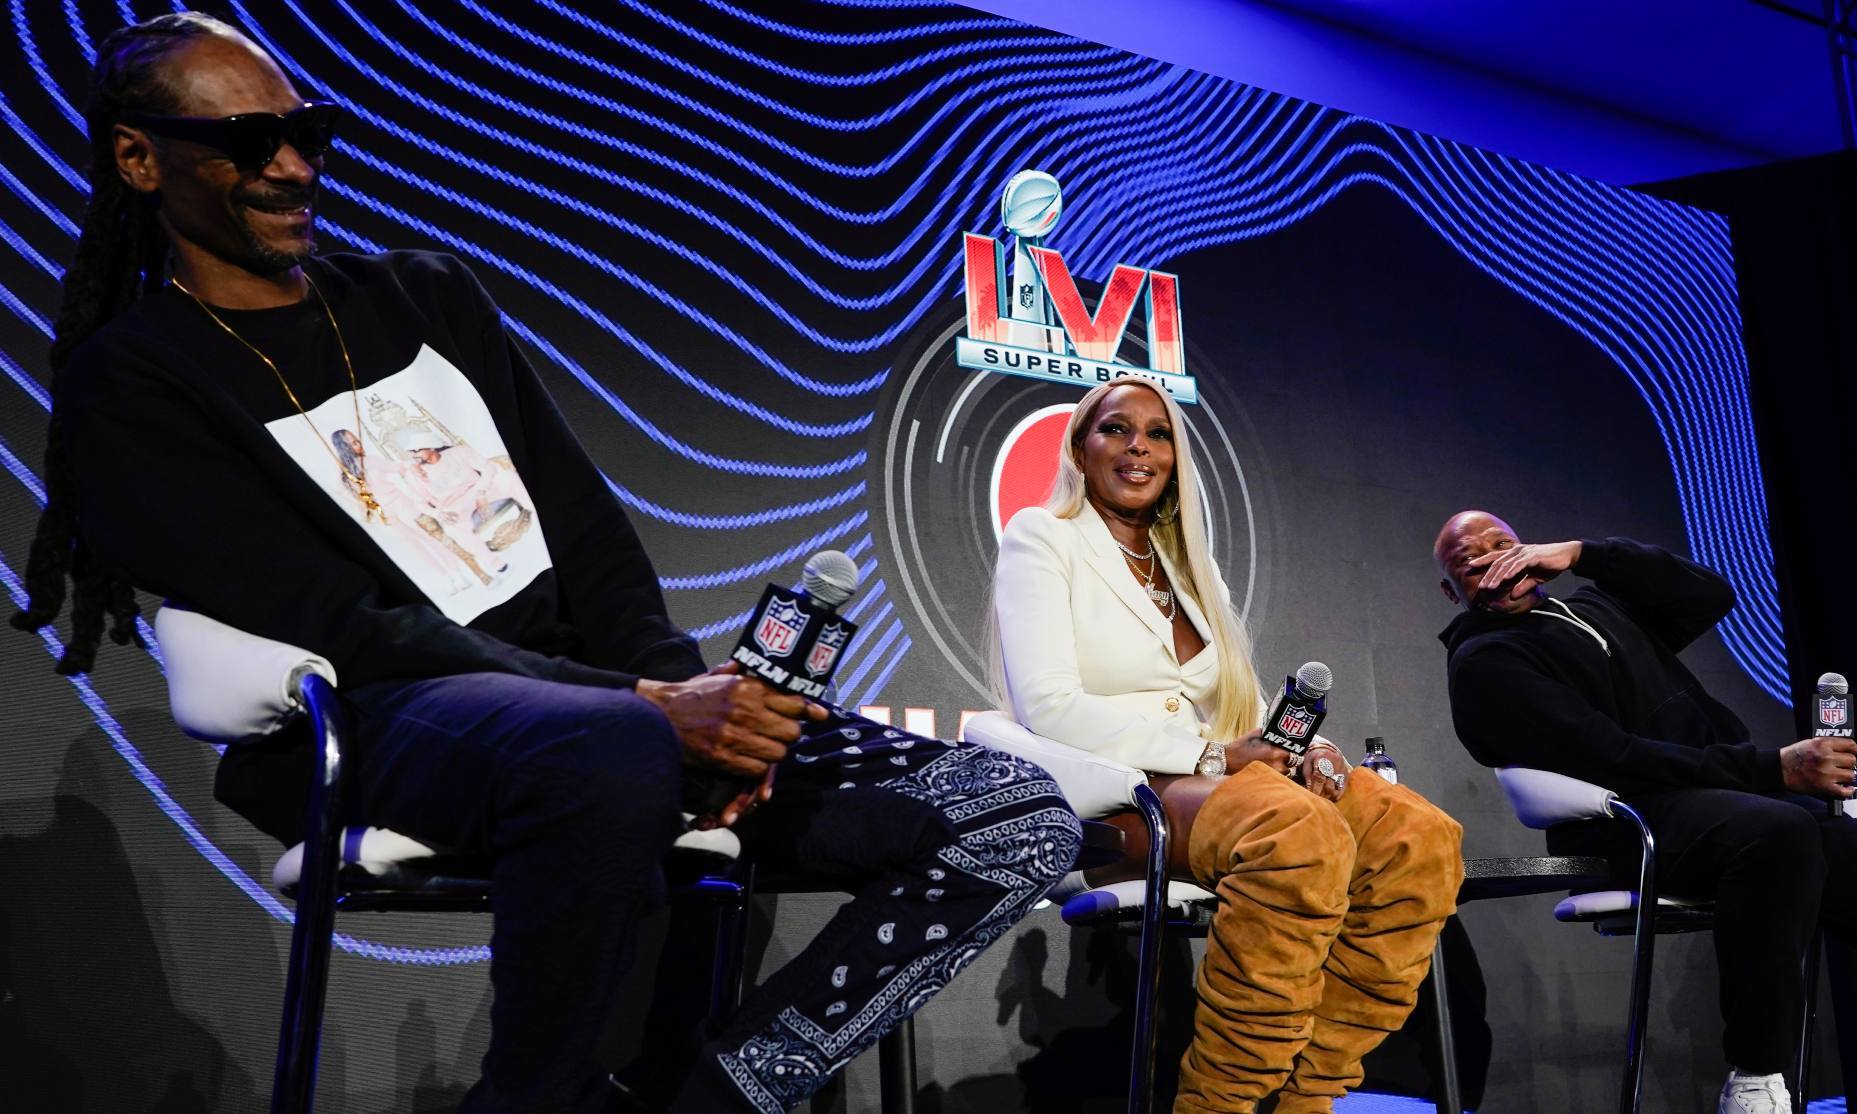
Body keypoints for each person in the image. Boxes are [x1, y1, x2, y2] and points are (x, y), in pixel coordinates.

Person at [11, 14, 1078, 1113]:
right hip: (392, 713)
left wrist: (712, 701)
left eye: (306, 130)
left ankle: (723, 1094)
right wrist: (654, 706)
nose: (290, 164)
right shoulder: (131, 382)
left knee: (1014, 814)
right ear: (139, 157)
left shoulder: (422, 295)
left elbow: (590, 536)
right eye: (245, 139)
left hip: (607, 705)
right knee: (608, 747)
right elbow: (344, 620)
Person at [989, 379, 1465, 1113]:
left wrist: (1301, 747)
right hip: (1115, 795)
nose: (1138, 447)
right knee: (1296, 833)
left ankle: (1306, 1097)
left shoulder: (1182, 566)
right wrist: (1216, 758)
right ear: (1080, 449)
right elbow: (1048, 706)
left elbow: (1225, 710)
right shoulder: (1043, 537)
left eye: (1157, 433)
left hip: (1208, 784)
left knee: (1418, 838)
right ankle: (1218, 1105)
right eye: (1116, 430)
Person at [1432, 510, 1857, 1114]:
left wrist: (1585, 553)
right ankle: (1755, 1077)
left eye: (1502, 544)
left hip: (1732, 806)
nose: (1493, 560)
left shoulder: (1593, 608)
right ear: (1452, 591)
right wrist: (1772, 769)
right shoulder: (1485, 662)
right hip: (1624, 823)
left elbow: (1708, 593)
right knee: (1780, 829)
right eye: (1470, 561)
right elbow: (1613, 758)